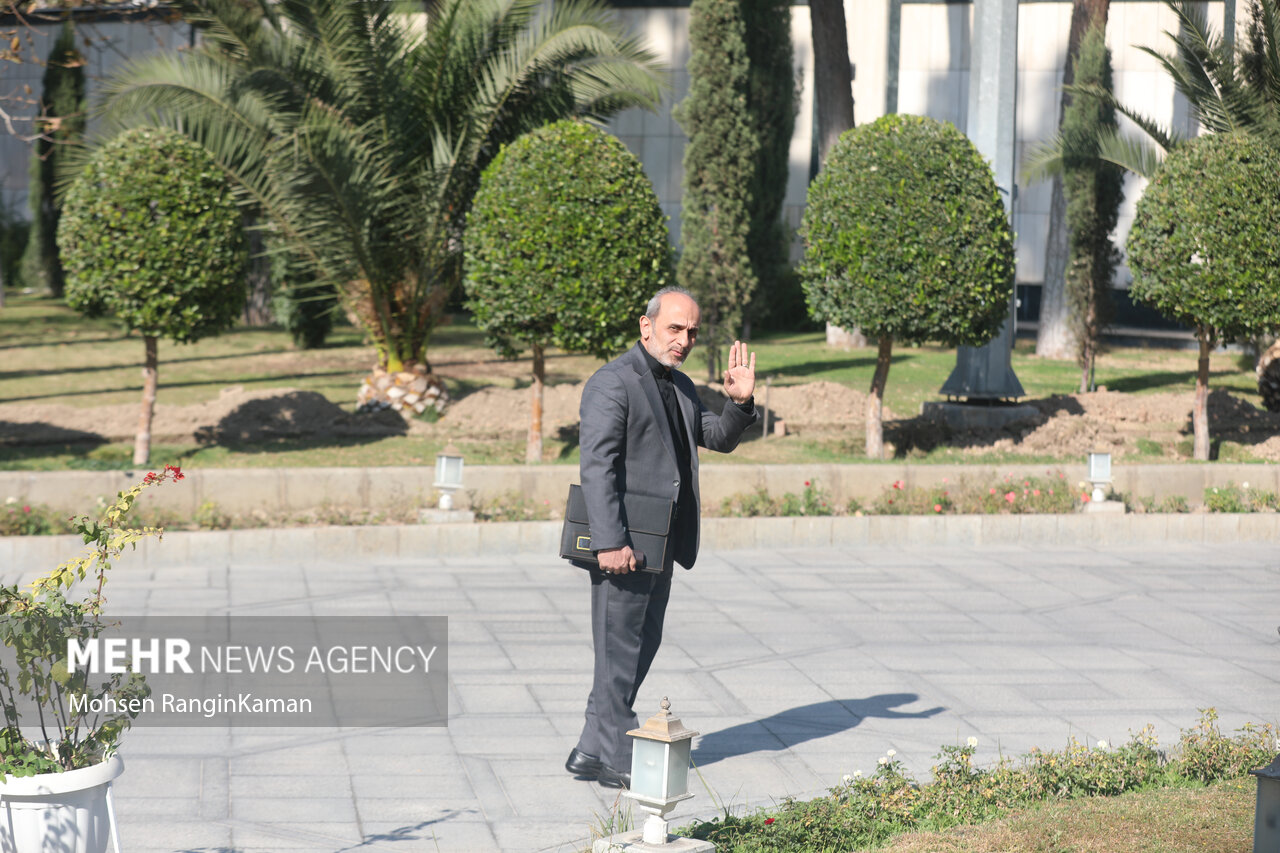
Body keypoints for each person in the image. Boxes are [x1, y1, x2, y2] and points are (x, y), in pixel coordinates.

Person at [565, 286, 758, 788]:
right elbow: (598, 466)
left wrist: (739, 403)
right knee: (620, 651)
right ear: (646, 326)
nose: (684, 340)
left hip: (662, 543)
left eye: (692, 331)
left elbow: (715, 437)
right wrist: (610, 542)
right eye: (675, 328)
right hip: (624, 543)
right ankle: (617, 756)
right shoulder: (612, 382)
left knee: (637, 647)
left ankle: (590, 749)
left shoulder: (682, 385)